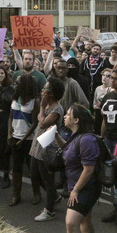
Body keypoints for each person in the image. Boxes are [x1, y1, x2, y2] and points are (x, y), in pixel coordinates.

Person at [53, 104, 101, 233]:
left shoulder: (87, 139)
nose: (65, 116)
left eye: (68, 114)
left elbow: (88, 170)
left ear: (77, 119)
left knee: (71, 223)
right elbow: (68, 150)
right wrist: (56, 136)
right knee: (85, 221)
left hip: (86, 187)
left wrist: (75, 190)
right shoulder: (74, 136)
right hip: (78, 186)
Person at [30, 76, 65, 221]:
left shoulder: (56, 108)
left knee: (47, 179)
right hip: (38, 144)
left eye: (46, 88)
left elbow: (43, 122)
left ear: (51, 93)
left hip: (47, 147)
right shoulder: (47, 106)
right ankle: (55, 197)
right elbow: (40, 119)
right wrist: (42, 109)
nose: (43, 90)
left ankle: (49, 210)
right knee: (34, 175)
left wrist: (42, 107)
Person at [7, 73, 40, 206]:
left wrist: (23, 138)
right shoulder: (15, 99)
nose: (15, 84)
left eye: (18, 82)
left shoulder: (34, 101)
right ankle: (16, 194)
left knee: (32, 170)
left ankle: (36, 193)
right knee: (16, 168)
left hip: (29, 141)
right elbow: (10, 117)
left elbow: (34, 123)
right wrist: (10, 134)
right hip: (15, 138)